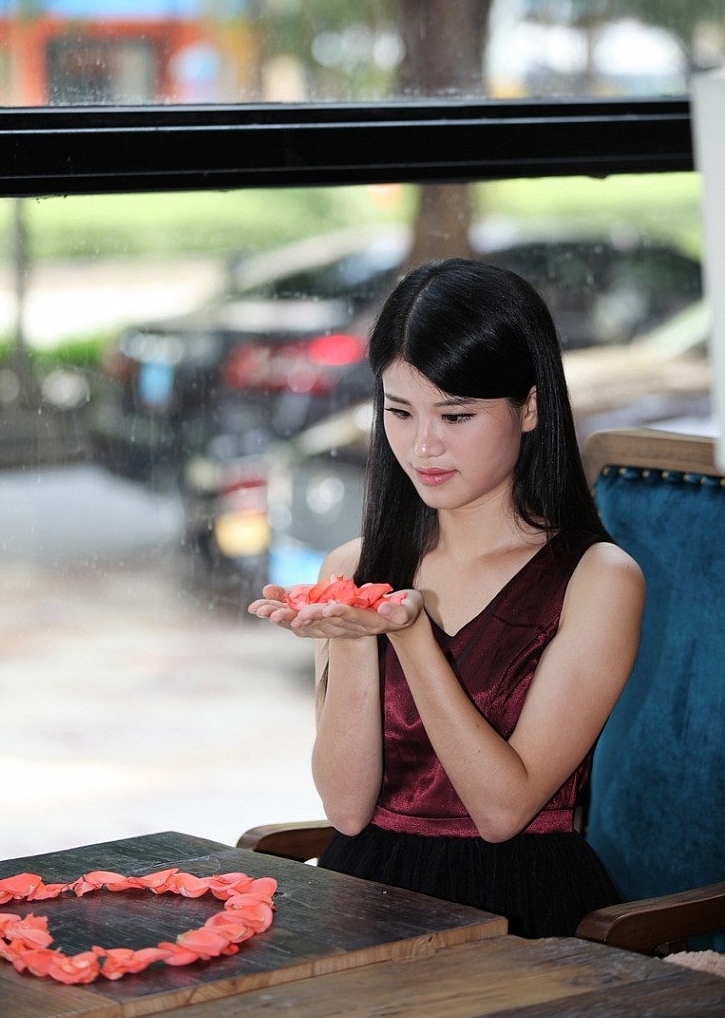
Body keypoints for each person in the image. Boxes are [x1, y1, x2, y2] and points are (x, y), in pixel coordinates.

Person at [248, 257, 645, 939]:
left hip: (518, 904)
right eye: (399, 412)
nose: (423, 445)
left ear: (529, 406)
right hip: (363, 890)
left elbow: (502, 812)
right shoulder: (352, 567)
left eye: (456, 414)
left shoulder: (598, 578)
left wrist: (410, 636)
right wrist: (353, 638)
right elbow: (347, 810)